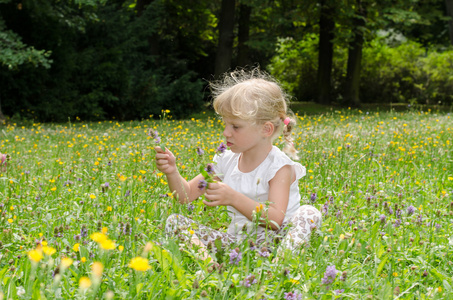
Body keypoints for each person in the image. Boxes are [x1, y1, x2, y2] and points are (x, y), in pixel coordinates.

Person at [155, 69, 321, 259]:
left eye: (235, 126)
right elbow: (187, 195)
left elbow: (275, 220)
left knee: (309, 212)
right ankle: (209, 266)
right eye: (225, 124)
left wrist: (233, 198)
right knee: (174, 222)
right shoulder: (226, 159)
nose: (226, 132)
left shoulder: (279, 167)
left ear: (265, 129)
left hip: (279, 241)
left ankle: (280, 264)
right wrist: (172, 171)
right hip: (238, 245)